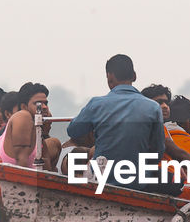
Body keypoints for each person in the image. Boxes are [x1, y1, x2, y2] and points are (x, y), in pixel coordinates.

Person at [65, 54, 180, 194]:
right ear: (134, 76)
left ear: (109, 77)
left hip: (101, 179)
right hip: (138, 182)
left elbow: (73, 131)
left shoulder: (96, 104)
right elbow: (158, 151)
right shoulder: (153, 107)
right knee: (174, 180)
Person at [0, 82, 62, 169]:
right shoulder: (22, 116)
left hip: (30, 180)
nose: (44, 107)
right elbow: (22, 167)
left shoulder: (39, 134)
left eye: (46, 103)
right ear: (24, 106)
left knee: (55, 143)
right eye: (38, 103)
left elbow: (48, 171)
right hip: (12, 179)